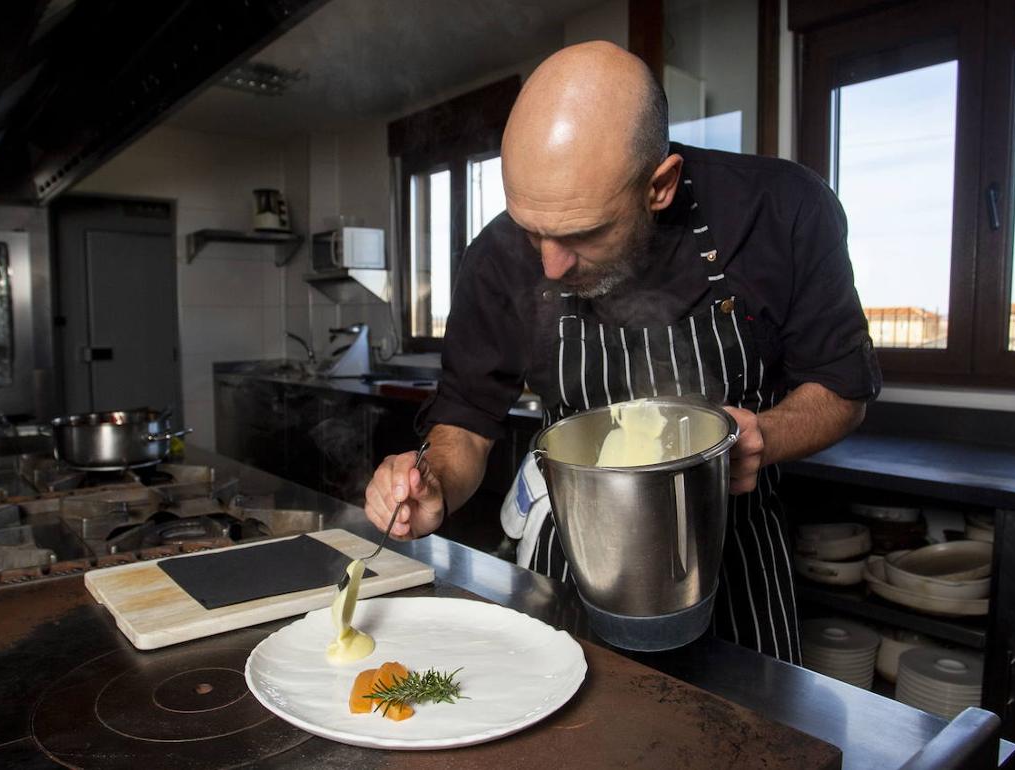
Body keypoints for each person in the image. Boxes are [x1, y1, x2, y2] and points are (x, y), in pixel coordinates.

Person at [362, 42, 881, 663]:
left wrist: (763, 436)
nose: (549, 266)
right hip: (571, 558)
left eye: (581, 234)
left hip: (730, 553)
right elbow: (467, 420)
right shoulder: (495, 257)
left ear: (659, 185)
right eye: (532, 230)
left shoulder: (783, 210)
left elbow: (841, 391)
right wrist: (434, 481)